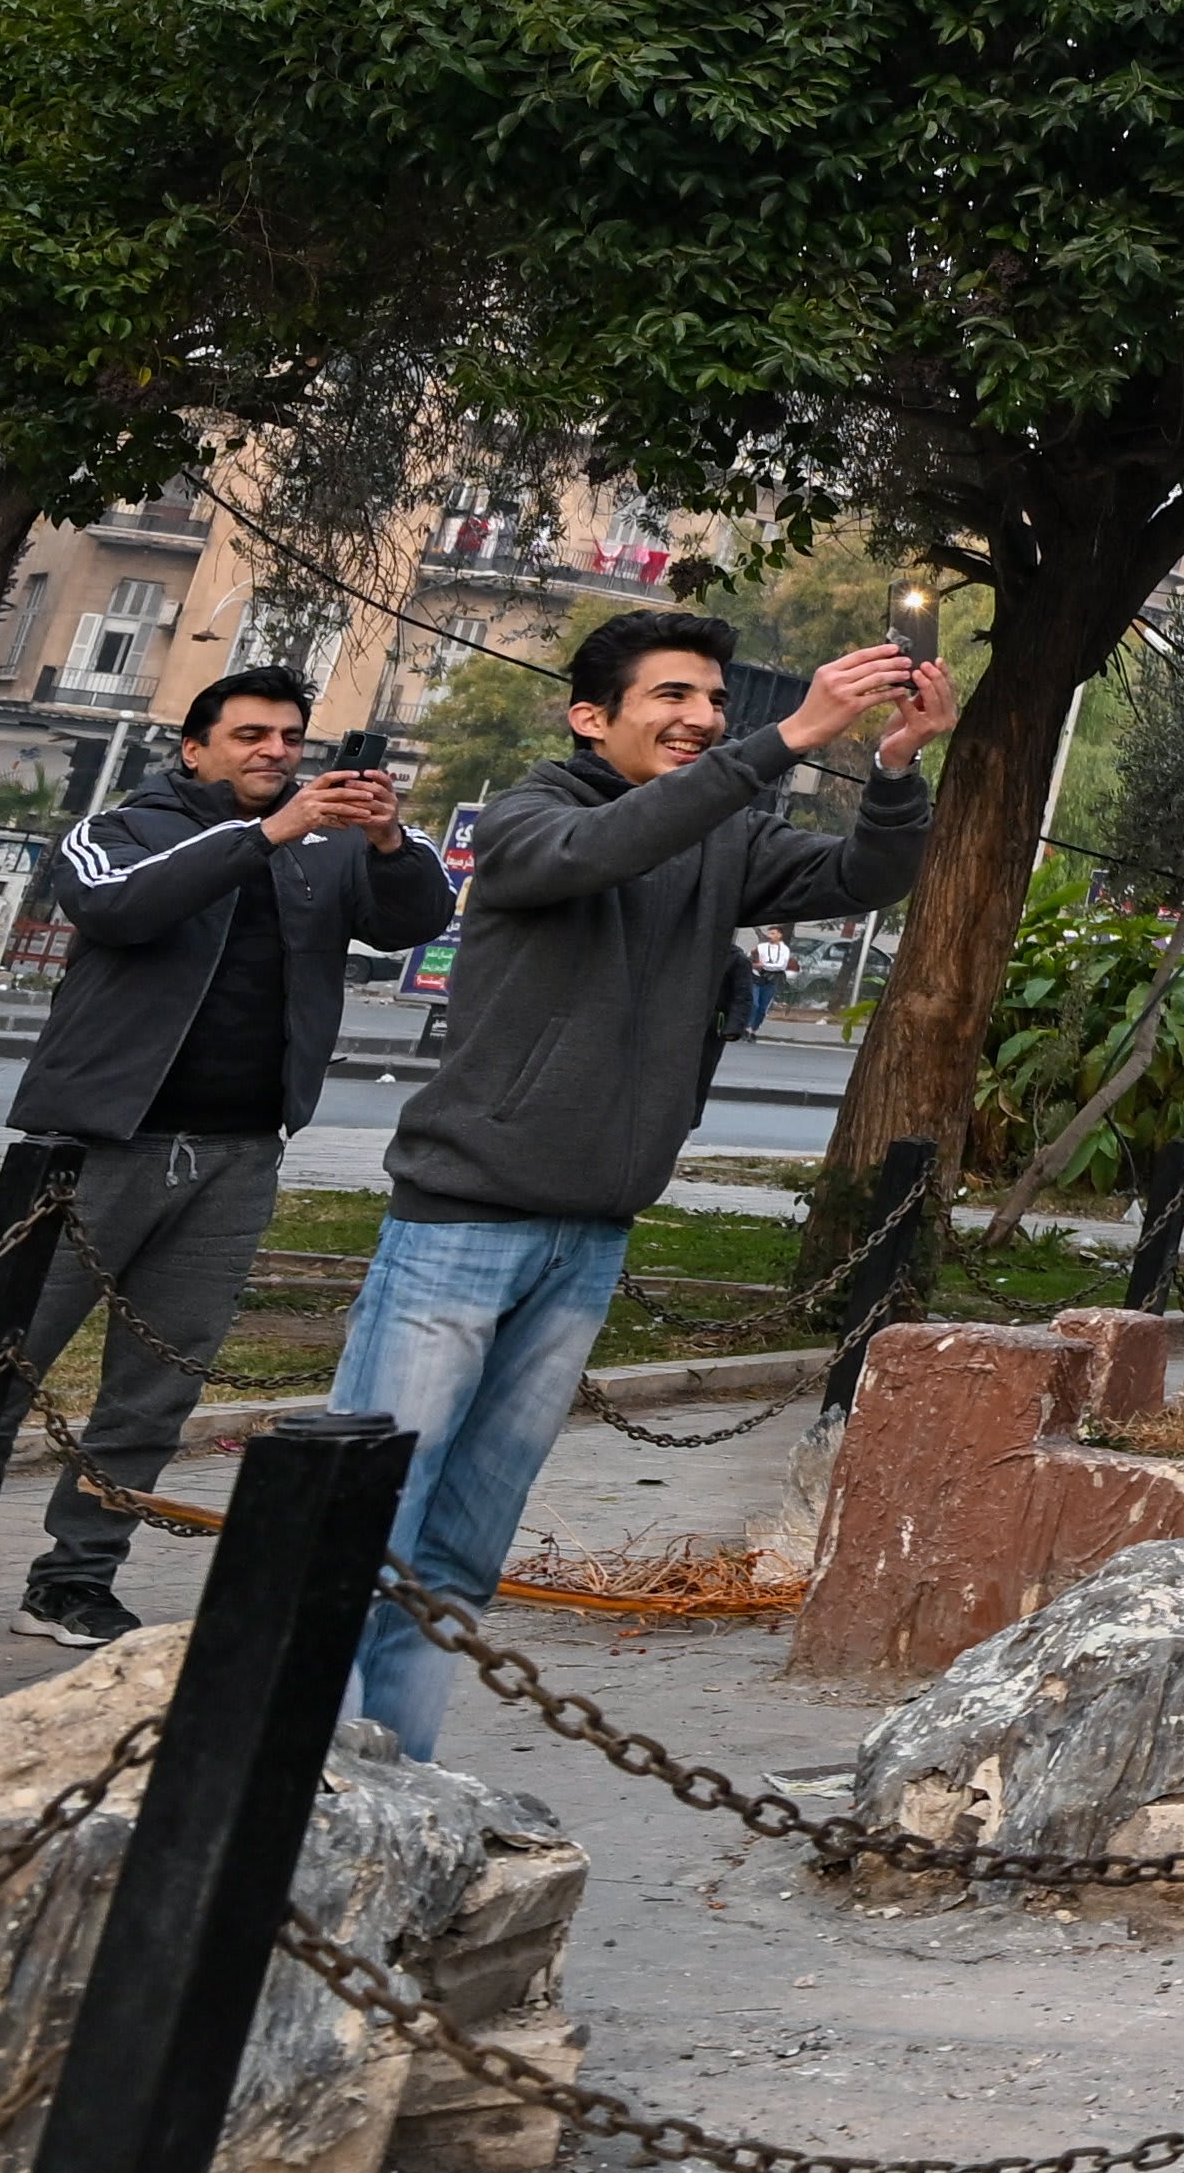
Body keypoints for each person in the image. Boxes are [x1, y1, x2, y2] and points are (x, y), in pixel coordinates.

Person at [331, 611, 942, 1753]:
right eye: (671, 698)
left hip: (589, 1239)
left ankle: (393, 1778)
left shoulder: (717, 837)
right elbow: (602, 851)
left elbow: (862, 874)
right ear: (589, 716)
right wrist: (782, 741)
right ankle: (291, 1782)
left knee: (462, 1550)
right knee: (366, 1526)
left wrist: (894, 768)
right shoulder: (528, 818)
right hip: (458, 1229)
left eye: (713, 700)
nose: (702, 720)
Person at [2, 667, 456, 1644]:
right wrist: (265, 834)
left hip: (238, 1157)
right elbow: (116, 909)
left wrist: (382, 836)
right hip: (95, 1151)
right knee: (0, 1364)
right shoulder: (122, 827)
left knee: (156, 1388)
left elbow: (419, 918)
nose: (277, 753)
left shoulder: (327, 849)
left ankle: (74, 1579)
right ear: (195, 749)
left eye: (291, 738)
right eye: (252, 736)